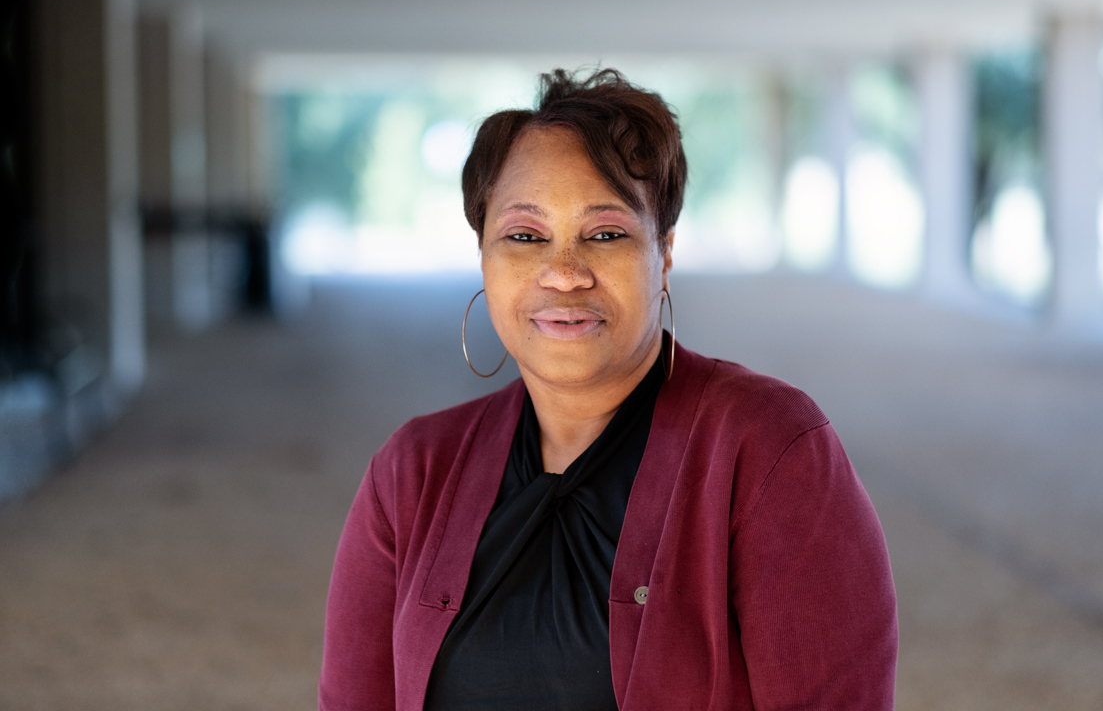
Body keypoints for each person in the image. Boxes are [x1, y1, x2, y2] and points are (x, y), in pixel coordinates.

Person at [320, 68, 897, 711]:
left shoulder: (767, 451)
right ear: (483, 254)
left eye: (606, 233)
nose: (564, 273)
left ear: (665, 253)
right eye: (524, 236)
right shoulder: (411, 473)